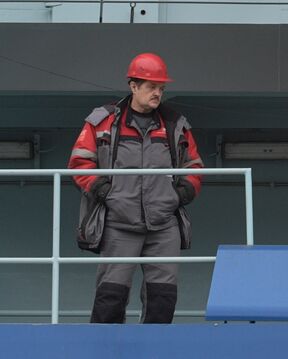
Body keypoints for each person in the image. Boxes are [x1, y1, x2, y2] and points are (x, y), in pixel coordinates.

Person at [70, 52, 204, 323]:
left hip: (164, 226)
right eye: (152, 87)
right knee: (111, 297)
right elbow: (79, 163)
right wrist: (107, 193)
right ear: (133, 86)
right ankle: (104, 351)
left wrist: (178, 196)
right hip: (119, 223)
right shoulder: (103, 122)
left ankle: (154, 351)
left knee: (163, 299)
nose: (158, 93)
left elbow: (194, 167)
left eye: (161, 88)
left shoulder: (176, 125)